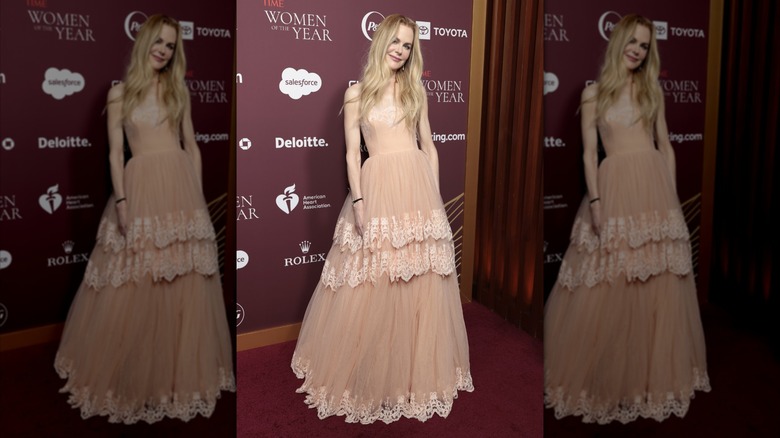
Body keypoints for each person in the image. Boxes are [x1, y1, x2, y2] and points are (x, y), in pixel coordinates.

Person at [291, 14, 473, 424]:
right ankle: (371, 372)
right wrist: (358, 201)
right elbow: (353, 154)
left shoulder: (415, 89)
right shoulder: (357, 93)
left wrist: (434, 198)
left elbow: (429, 144)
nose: (400, 49)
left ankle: (414, 372)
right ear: (380, 42)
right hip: (376, 188)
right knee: (374, 279)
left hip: (416, 186)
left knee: (420, 279)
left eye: (407, 45)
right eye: (394, 41)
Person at [54, 15, 235, 424]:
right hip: (139, 188)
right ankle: (131, 372)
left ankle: (175, 373)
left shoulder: (177, 89)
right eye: (158, 42)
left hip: (179, 187)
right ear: (144, 43)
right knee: (135, 278)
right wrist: (120, 201)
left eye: (171, 45)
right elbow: (116, 154)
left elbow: (192, 146)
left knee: (183, 279)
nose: (164, 50)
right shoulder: (120, 93)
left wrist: (197, 200)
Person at [544, 14, 710, 424]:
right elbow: (587, 153)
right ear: (618, 43)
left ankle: (652, 377)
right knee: (610, 279)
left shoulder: (652, 89)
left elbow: (666, 145)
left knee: (657, 280)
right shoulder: (593, 94)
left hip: (654, 188)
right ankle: (609, 376)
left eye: (645, 46)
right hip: (615, 187)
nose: (637, 50)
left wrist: (670, 200)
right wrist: (596, 201)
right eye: (632, 42)